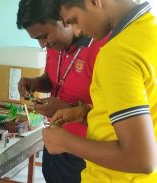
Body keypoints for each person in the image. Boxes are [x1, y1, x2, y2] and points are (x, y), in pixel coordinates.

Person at [43, 0, 157, 182]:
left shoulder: (117, 53)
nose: (78, 32)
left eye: (74, 21)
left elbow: (141, 158)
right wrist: (87, 114)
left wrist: (64, 142)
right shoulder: (149, 31)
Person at [16, 0, 108, 182]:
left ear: (64, 19)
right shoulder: (55, 46)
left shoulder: (101, 47)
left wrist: (66, 107)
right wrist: (35, 83)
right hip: (55, 143)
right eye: (37, 40)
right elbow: (52, 79)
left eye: (44, 36)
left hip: (86, 150)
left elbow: (110, 113)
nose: (43, 45)